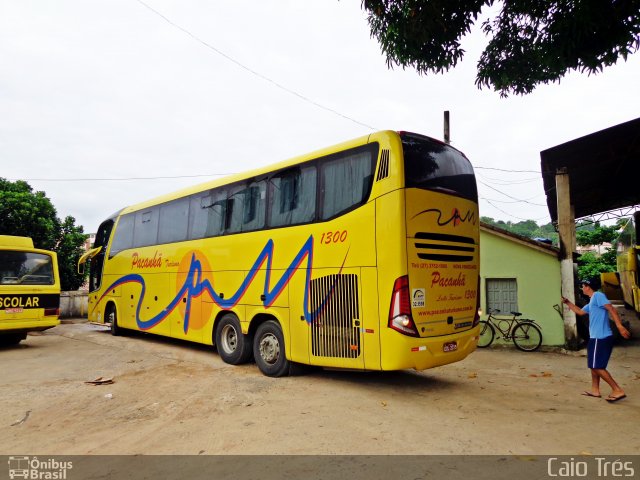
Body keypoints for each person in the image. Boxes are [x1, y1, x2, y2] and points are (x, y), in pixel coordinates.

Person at [562, 278, 631, 402]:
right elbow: (580, 312)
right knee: (593, 365)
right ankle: (595, 390)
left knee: (597, 366)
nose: (582, 288)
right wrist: (568, 303)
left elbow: (612, 309)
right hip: (595, 337)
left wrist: (620, 326)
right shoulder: (592, 300)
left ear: (588, 286)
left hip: (601, 337)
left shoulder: (598, 296)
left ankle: (617, 390)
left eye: (583, 286)